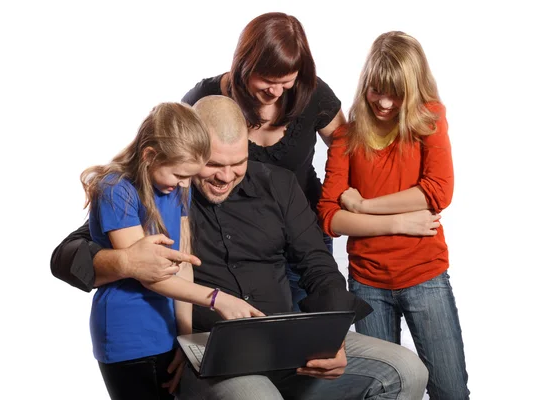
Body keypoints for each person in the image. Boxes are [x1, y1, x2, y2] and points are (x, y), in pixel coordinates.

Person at [52, 95, 429, 399]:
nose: (225, 176)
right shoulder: (162, 190)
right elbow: (68, 255)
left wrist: (330, 338)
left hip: (287, 339)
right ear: (194, 151)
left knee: (407, 371)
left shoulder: (278, 186)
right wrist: (125, 261)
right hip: (215, 351)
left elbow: (317, 264)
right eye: (213, 164)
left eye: (238, 163)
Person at [317, 31, 469, 399]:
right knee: (381, 388)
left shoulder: (430, 119)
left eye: (396, 93)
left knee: (450, 390)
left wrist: (365, 205)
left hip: (424, 276)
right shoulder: (347, 137)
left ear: (414, 89)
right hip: (368, 282)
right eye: (376, 90)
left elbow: (438, 191)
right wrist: (397, 221)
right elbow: (330, 216)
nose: (384, 103)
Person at [80, 102, 262, 400]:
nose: (186, 184)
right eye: (179, 175)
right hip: (128, 336)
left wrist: (186, 339)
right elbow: (147, 273)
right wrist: (217, 299)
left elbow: (184, 266)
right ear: (150, 156)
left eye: (191, 176)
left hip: (165, 331)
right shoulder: (117, 189)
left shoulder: (178, 189)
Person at [182, 12, 345, 310]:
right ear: (244, 66)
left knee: (309, 332)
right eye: (267, 81)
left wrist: (342, 204)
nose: (276, 91)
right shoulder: (205, 98)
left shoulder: (313, 93)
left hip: (304, 231)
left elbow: (346, 151)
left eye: (286, 82)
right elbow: (173, 158)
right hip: (242, 238)